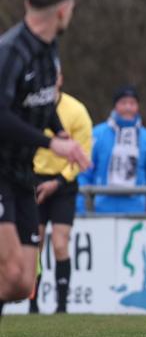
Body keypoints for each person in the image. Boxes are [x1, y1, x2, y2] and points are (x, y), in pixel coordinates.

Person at [0, 0, 91, 320]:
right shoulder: (11, 52)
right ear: (63, 10)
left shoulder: (50, 49)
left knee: (22, 283)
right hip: (2, 171)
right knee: (10, 275)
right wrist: (51, 145)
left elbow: (42, 100)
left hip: (24, 173)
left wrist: (58, 130)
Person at [30, 70, 93, 313]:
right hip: (33, 180)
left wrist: (58, 182)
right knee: (35, 243)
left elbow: (82, 154)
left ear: (60, 79)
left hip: (63, 182)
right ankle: (33, 305)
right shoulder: (30, 109)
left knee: (59, 244)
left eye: (53, 76)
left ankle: (62, 306)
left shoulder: (76, 111)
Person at [77, 86, 146, 214]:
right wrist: (79, 210)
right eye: (123, 103)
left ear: (138, 106)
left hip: (137, 212)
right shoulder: (97, 135)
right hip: (102, 211)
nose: (128, 108)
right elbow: (84, 173)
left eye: (132, 103)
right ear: (115, 106)